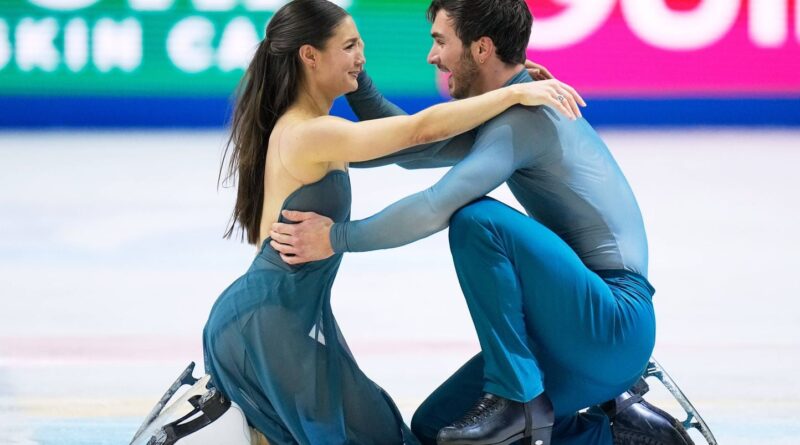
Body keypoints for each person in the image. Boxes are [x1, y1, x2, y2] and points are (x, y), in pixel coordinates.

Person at [269, 1, 698, 444]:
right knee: (436, 426)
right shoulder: (509, 110)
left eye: (440, 41)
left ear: (481, 48)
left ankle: (520, 398)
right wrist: (338, 107)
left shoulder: (525, 118)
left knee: (478, 219)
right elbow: (410, 145)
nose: (431, 57)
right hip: (576, 330)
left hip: (612, 324)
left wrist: (338, 237)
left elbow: (437, 205)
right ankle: (617, 435)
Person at [201, 1, 584, 444]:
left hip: (281, 320)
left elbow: (418, 146)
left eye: (362, 45)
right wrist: (512, 93)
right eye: (349, 47)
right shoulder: (311, 134)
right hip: (271, 325)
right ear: (309, 56)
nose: (361, 59)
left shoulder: (313, 131)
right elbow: (419, 132)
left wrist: (509, 75)